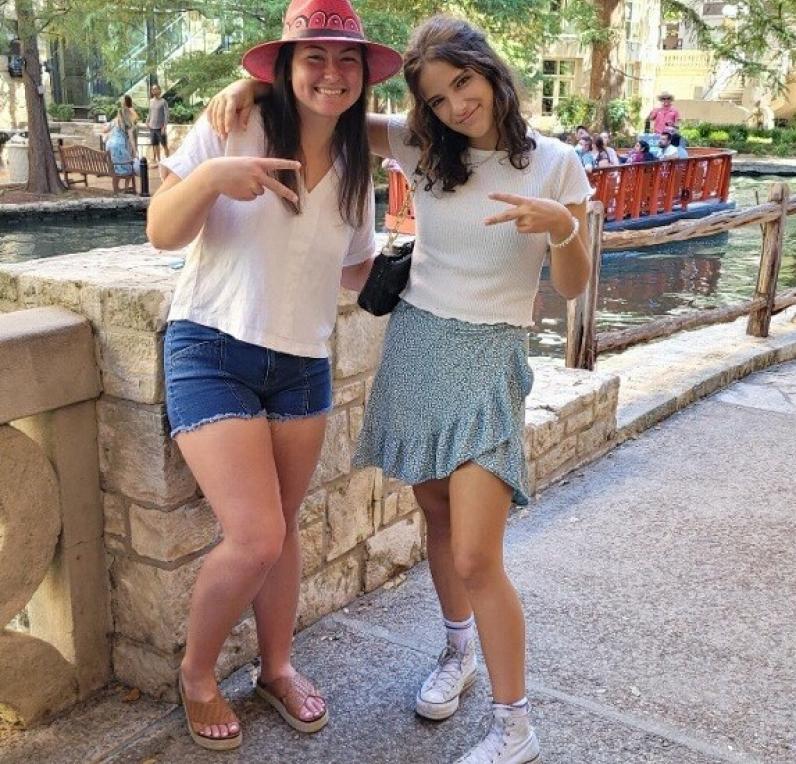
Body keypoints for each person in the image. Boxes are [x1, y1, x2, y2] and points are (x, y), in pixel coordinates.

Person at [208, 14, 591, 764]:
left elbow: (574, 288)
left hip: (488, 356)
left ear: (489, 72)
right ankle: (457, 653)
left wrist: (563, 229)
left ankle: (517, 726)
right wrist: (248, 86)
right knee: (437, 514)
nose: (455, 106)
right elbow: (330, 103)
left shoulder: (556, 163)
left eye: (463, 83)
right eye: (437, 97)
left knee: (480, 554)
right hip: (417, 343)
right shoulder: (424, 146)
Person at [146, 0, 402, 751]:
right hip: (212, 347)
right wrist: (215, 177)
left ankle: (277, 667)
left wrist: (407, 271)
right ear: (284, 68)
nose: (332, 73)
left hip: (303, 363)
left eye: (346, 59)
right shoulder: (235, 123)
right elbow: (163, 231)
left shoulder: (357, 163)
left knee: (283, 531)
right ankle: (197, 675)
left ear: (364, 74)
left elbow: (350, 265)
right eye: (313, 57)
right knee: (255, 535)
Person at [103, 99, 136, 193]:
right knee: (130, 167)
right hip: (119, 147)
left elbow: (104, 130)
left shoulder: (114, 121)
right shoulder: (128, 123)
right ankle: (126, 189)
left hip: (109, 146)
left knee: (115, 168)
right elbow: (131, 140)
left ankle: (116, 189)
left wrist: (105, 126)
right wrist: (135, 152)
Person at [147, 84, 170, 164]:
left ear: (159, 90)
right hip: (152, 127)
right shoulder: (151, 101)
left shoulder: (163, 102)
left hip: (160, 128)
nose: (154, 91)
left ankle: (168, 162)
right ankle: (159, 161)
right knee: (155, 145)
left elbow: (167, 115)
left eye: (156, 89)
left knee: (164, 145)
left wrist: (164, 126)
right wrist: (147, 121)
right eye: (153, 89)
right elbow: (150, 112)